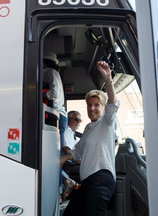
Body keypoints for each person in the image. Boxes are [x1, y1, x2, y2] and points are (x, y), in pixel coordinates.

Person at [60, 61, 120, 216]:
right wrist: (64, 158)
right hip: (87, 181)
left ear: (103, 107)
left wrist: (108, 79)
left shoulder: (106, 122)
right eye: (89, 105)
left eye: (96, 105)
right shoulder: (88, 127)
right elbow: (78, 149)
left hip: (100, 179)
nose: (92, 108)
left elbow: (113, 103)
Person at [42, 52, 67, 201]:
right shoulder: (52, 73)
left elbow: (53, 93)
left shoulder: (49, 72)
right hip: (57, 115)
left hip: (56, 114)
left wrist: (42, 94)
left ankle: (58, 191)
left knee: (55, 156)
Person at [61, 111, 82, 181]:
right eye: (76, 119)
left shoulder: (72, 134)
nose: (78, 122)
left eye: (80, 120)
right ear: (68, 119)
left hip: (72, 163)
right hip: (68, 165)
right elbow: (67, 152)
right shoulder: (67, 131)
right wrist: (82, 162)